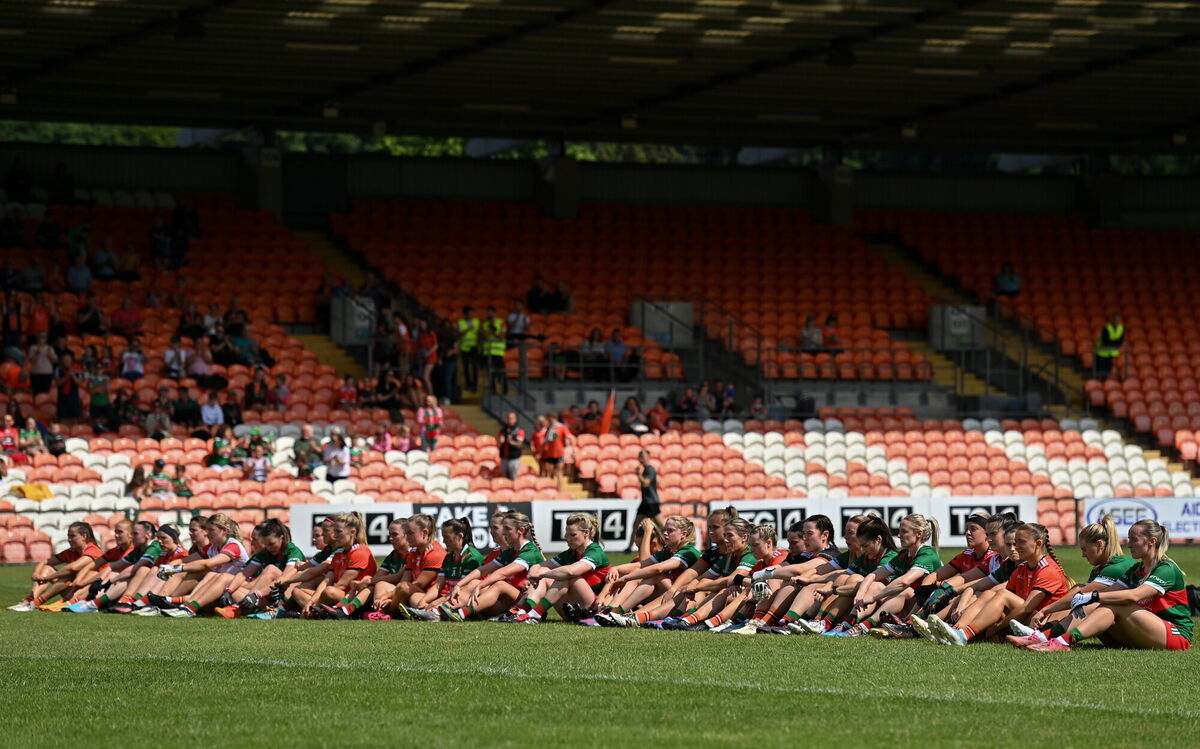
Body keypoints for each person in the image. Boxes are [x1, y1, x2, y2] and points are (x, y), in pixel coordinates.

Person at [1017, 518, 1191, 652]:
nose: (1128, 544)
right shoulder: (1136, 569)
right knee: (1101, 602)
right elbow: (1104, 594)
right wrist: (1085, 600)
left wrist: (1090, 596)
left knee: (1114, 604)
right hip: (1149, 631)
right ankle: (1043, 637)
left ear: (1152, 541)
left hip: (1176, 635)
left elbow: (1134, 595)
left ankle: (1062, 641)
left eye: (1133, 540)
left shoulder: (1166, 568)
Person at [927, 523, 1070, 646]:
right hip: (1024, 617)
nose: (1016, 547)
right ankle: (958, 630)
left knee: (1001, 595)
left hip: (1040, 622)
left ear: (1038, 544)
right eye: (1013, 543)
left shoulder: (1048, 569)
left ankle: (963, 634)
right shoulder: (1023, 567)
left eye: (1021, 542)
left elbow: (1027, 608)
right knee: (989, 594)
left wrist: (998, 627)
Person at [1007, 514, 1137, 644]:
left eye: (1085, 549)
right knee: (1080, 593)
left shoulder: (1115, 568)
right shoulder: (1101, 568)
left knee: (1087, 600)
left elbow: (1080, 595)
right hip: (1126, 625)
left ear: (1099, 544)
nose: (1083, 555)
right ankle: (1043, 634)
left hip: (1135, 626)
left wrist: (1044, 610)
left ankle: (1045, 636)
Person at [507, 513, 611, 624]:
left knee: (567, 575)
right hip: (575, 608)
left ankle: (534, 614)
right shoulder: (571, 553)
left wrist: (541, 575)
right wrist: (532, 576)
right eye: (567, 535)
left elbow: (571, 571)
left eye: (573, 535)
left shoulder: (595, 551)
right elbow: (538, 566)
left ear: (586, 533)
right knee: (545, 572)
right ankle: (524, 610)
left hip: (595, 609)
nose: (568, 539)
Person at [439, 511, 542, 621]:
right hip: (511, 599)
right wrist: (459, 585)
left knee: (499, 584)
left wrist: (480, 586)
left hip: (527, 602)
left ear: (520, 530)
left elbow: (501, 574)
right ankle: (443, 610)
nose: (504, 533)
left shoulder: (529, 551)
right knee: (475, 582)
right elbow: (483, 570)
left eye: (507, 529)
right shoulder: (510, 551)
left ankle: (461, 613)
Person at [154, 513, 251, 618]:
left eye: (211, 530)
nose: (207, 533)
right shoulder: (213, 547)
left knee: (215, 574)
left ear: (224, 530)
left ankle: (184, 606)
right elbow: (184, 560)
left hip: (240, 587)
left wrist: (176, 568)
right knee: (207, 574)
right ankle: (170, 601)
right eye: (207, 530)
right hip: (221, 588)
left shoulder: (233, 545)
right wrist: (170, 566)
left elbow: (208, 563)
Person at [8, 522, 105, 611]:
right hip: (75, 589)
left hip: (94, 592)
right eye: (68, 536)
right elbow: (45, 562)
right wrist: (36, 573)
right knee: (47, 568)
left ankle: (37, 602)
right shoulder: (72, 551)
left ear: (84, 536)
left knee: (78, 573)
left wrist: (48, 578)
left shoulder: (93, 550)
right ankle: (29, 601)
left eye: (72, 536)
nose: (69, 539)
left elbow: (73, 567)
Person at [540, 411, 572, 488]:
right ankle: (551, 489)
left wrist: (567, 442)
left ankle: (560, 489)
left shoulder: (562, 427)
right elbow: (546, 441)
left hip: (559, 453)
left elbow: (568, 436)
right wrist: (541, 452)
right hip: (550, 453)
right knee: (549, 473)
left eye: (548, 420)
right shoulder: (550, 429)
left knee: (559, 473)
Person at [480, 306, 506, 393]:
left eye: (490, 312)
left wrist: (492, 331)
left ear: (494, 313)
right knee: (490, 373)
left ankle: (504, 390)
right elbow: (483, 336)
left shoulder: (501, 322)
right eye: (487, 312)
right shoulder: (484, 324)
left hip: (498, 352)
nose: (488, 314)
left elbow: (501, 337)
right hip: (488, 352)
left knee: (501, 372)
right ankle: (493, 392)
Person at [456, 306, 480, 392]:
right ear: (465, 314)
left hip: (474, 347)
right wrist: (467, 329)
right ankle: (468, 384)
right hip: (464, 348)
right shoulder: (460, 322)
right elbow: (458, 334)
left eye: (472, 313)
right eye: (469, 314)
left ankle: (475, 385)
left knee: (475, 367)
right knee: (465, 367)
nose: (471, 315)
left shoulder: (477, 322)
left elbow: (479, 333)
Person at [634, 449, 659, 530]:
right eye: (640, 457)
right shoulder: (645, 469)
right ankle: (630, 543)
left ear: (648, 457)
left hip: (651, 502)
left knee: (660, 525)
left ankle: (667, 540)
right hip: (645, 502)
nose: (641, 459)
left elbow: (645, 483)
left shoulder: (650, 470)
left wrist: (639, 474)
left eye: (643, 457)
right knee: (635, 526)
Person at [1094, 313, 1124, 380]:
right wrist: (1114, 344)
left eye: (1119, 320)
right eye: (1116, 320)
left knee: (1108, 368)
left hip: (1111, 352)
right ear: (1112, 320)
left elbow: (1120, 340)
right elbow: (1105, 341)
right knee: (1099, 368)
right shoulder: (1107, 328)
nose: (1117, 322)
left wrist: (1115, 345)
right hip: (1101, 351)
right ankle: (1098, 380)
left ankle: (1104, 380)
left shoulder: (1121, 328)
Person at [498, 411, 525, 480]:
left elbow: (520, 444)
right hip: (504, 458)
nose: (510, 420)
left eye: (512, 418)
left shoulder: (519, 430)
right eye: (508, 418)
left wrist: (511, 442)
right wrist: (500, 442)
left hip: (514, 458)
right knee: (504, 478)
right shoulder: (503, 430)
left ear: (515, 419)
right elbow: (499, 443)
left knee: (514, 478)